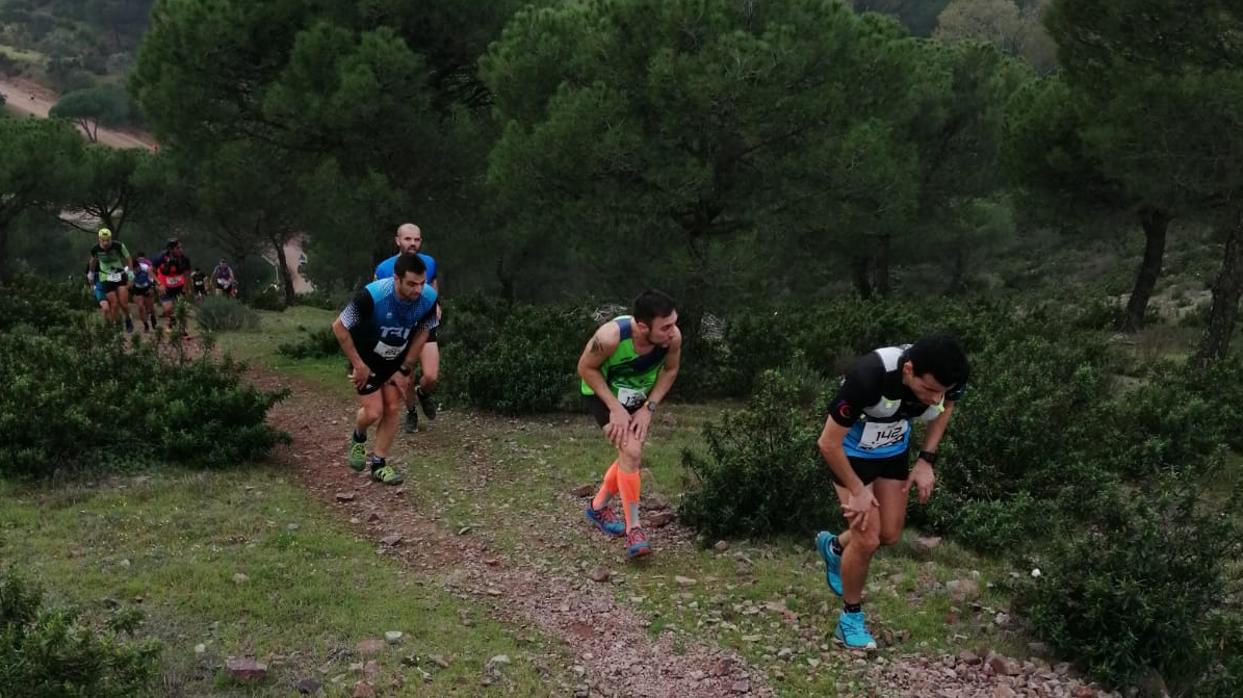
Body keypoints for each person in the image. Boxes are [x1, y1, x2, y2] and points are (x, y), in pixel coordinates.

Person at [814, 336, 969, 650]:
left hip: (891, 453)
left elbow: (946, 407)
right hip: (849, 455)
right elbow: (827, 443)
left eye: (940, 391)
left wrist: (926, 460)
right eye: (927, 390)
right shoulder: (869, 375)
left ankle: (834, 548)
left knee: (889, 534)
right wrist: (857, 490)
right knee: (867, 538)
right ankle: (850, 620)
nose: (934, 399)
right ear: (909, 369)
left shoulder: (947, 377)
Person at [577, 290, 682, 559]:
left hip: (638, 399)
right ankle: (634, 528)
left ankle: (598, 507)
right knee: (632, 453)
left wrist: (649, 408)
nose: (673, 332)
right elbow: (585, 368)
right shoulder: (610, 337)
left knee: (629, 455)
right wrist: (615, 409)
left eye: (674, 322)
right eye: (666, 326)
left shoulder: (672, 339)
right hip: (603, 395)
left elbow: (670, 371)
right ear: (642, 326)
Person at [333, 253, 439, 486]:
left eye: (421, 283)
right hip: (366, 358)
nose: (418, 290)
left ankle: (379, 464)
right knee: (373, 413)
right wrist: (358, 365)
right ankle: (359, 436)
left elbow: (424, 331)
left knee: (392, 407)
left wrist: (406, 366)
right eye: (411, 284)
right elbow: (339, 327)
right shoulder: (372, 296)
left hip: (395, 357)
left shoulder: (428, 298)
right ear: (396, 279)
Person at [374, 223, 441, 434]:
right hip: (400, 328)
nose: (412, 244)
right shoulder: (384, 268)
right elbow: (376, 298)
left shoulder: (429, 262)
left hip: (424, 324)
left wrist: (436, 303)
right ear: (398, 240)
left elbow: (432, 284)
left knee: (431, 376)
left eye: (417, 240)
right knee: (407, 377)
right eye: (408, 239)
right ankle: (411, 411)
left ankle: (424, 393)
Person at [87, 228, 134, 332]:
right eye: (103, 240)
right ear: (99, 239)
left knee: (124, 303)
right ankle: (114, 326)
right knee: (114, 303)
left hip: (119, 275)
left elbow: (128, 258)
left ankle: (128, 319)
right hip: (105, 276)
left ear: (111, 238)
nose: (106, 242)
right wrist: (90, 273)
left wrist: (130, 273)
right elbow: (93, 261)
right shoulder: (95, 249)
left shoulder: (118, 245)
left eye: (108, 240)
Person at [152, 238, 192, 334]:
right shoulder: (160, 258)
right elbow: (151, 271)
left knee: (181, 308)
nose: (181, 250)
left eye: (181, 247)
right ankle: (171, 322)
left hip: (179, 285)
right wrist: (158, 283)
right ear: (171, 249)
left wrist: (186, 288)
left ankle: (183, 330)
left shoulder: (184, 259)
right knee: (168, 309)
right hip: (164, 286)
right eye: (178, 248)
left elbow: (187, 275)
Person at [130, 251, 157, 331]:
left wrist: (151, 288)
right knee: (141, 307)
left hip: (147, 286)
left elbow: (152, 278)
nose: (136, 271)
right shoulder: (128, 270)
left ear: (139, 266)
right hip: (137, 289)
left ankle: (153, 316)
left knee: (150, 307)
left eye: (137, 269)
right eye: (134, 270)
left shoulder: (145, 267)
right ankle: (146, 325)